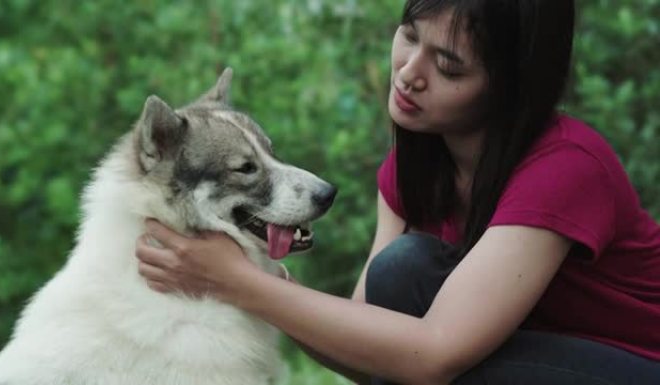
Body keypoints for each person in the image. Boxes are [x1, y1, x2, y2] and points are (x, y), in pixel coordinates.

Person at [135, 0, 660, 383]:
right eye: (409, 36)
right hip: (525, 363)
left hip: (635, 362)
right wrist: (261, 276)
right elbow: (365, 348)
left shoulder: (565, 168)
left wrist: (240, 284)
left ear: (509, 85)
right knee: (400, 271)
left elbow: (432, 356)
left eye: (448, 65)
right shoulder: (415, 167)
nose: (409, 74)